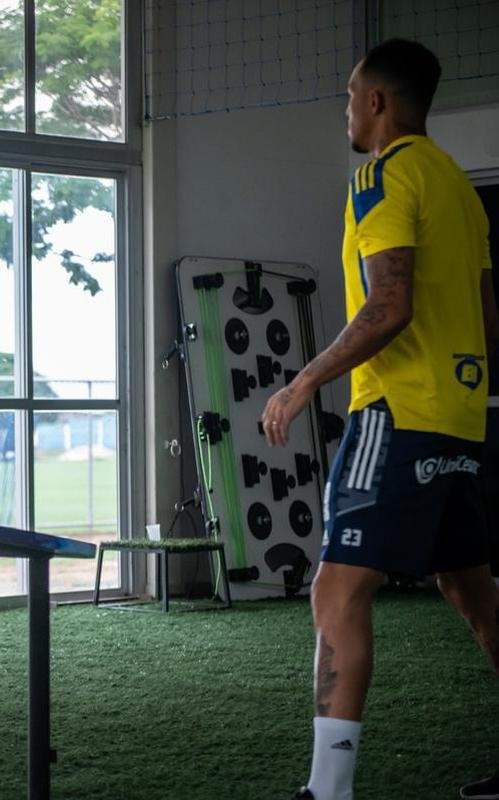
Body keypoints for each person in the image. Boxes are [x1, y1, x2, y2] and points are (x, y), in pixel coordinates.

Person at [258, 39, 499, 800]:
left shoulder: (381, 174)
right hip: (462, 419)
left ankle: (326, 792)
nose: (345, 107)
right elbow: (490, 320)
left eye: (348, 93)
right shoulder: (458, 187)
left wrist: (299, 383)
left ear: (375, 102)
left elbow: (387, 305)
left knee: (334, 595)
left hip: (394, 414)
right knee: (472, 593)